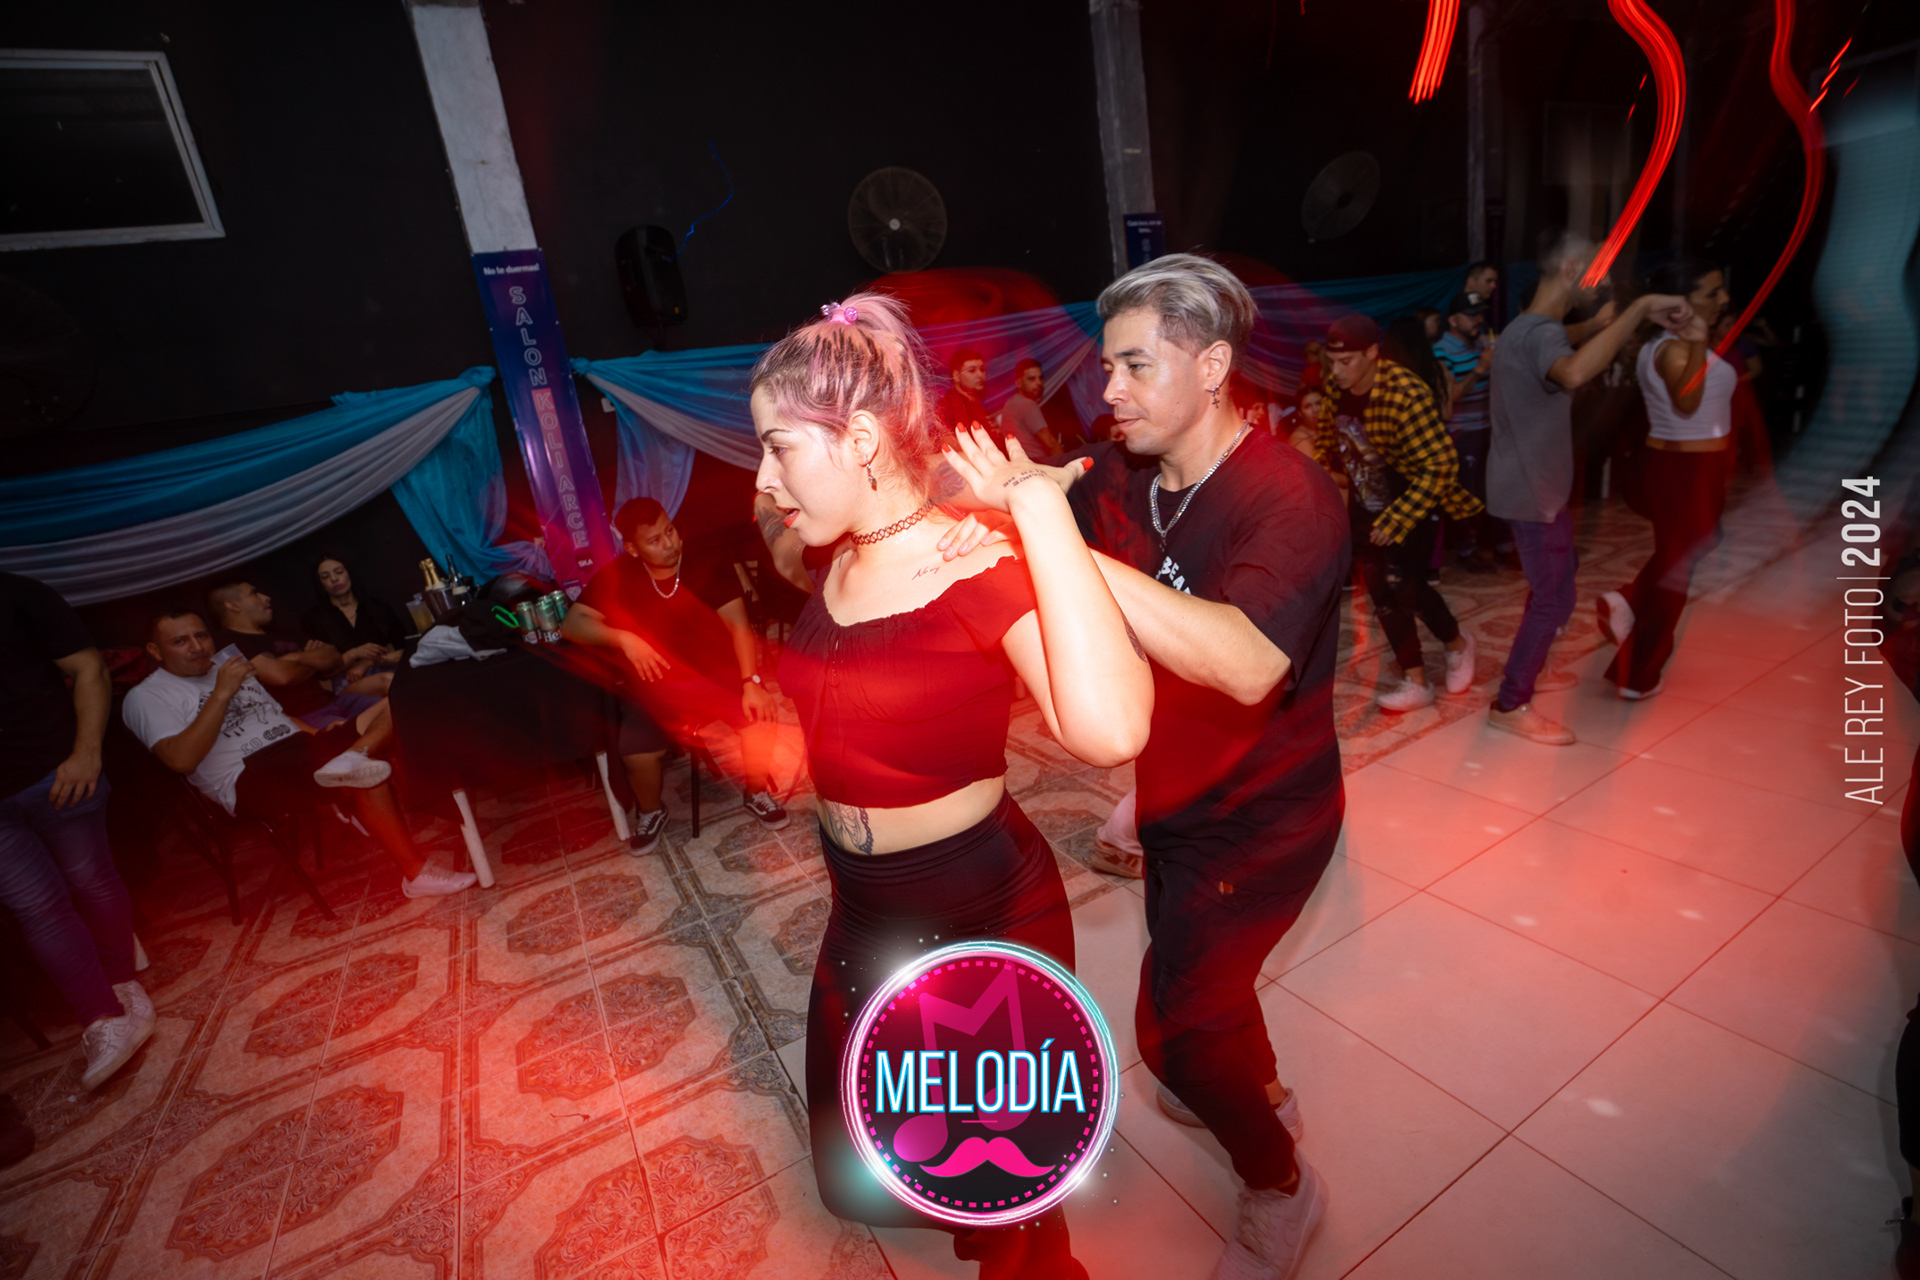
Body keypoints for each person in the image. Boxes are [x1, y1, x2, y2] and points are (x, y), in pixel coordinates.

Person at [951, 254, 1352, 1280]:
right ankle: (1262, 1091)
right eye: (1107, 367)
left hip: (1267, 823)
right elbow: (1025, 501)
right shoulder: (1120, 473)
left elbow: (1246, 662)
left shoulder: (1290, 497)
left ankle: (1280, 1183)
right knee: (1209, 987)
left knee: (1173, 1033)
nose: (1109, 389)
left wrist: (1066, 547)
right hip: (1176, 806)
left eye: (1135, 365)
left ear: (1211, 366)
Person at [756, 294, 1151, 1279]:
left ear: (858, 439)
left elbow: (1111, 730)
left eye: (777, 448)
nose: (763, 477)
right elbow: (787, 551)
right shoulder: (831, 556)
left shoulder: (976, 567)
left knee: (1004, 1172)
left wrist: (1035, 518)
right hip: (862, 912)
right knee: (890, 1148)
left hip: (981, 917)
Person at [1485, 232, 1690, 743]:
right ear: (1573, 267)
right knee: (1552, 599)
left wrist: (1598, 325)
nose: (1600, 284)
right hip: (1534, 490)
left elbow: (1558, 342)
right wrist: (1637, 308)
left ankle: (1530, 668)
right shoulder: (1542, 334)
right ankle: (1511, 702)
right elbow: (1574, 371)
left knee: (1561, 582)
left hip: (1531, 484)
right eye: (1597, 272)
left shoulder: (1524, 327)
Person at [124, 611, 474, 897]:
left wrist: (318, 736)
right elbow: (180, 760)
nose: (197, 647)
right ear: (155, 650)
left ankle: (351, 755)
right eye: (180, 641)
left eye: (201, 635)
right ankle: (416, 874)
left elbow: (276, 716)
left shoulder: (225, 664)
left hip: (297, 747)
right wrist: (221, 693)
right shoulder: (146, 697)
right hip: (246, 775)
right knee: (367, 772)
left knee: (398, 704)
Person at [564, 498, 790, 851]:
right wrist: (625, 639)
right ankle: (652, 811)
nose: (669, 544)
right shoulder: (620, 574)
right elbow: (572, 624)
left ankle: (756, 792)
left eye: (669, 531)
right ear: (633, 549)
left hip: (716, 676)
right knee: (635, 751)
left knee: (760, 718)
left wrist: (752, 682)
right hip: (657, 687)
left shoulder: (705, 561)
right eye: (654, 540)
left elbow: (740, 629)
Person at [0, 573, 153, 1092]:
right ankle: (100, 1018)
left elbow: (89, 668)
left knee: (91, 881)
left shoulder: (18, 594)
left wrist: (88, 752)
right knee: (36, 909)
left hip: (57, 772)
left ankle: (122, 983)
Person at [1315, 314, 1480, 711]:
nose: (1336, 371)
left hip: (1412, 506)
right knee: (1382, 594)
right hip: (1366, 507)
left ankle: (1458, 643)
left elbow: (1441, 465)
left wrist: (1396, 519)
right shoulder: (1337, 387)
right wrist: (1320, 469)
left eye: (1346, 362)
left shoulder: (1406, 393)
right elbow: (1327, 439)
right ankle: (1416, 681)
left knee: (1408, 588)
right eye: (1332, 362)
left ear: (1373, 352)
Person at [1596, 258, 1735, 700]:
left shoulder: (1673, 343)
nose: (1724, 298)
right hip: (1684, 470)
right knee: (1677, 573)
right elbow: (1688, 402)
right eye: (1711, 292)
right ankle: (1637, 674)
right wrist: (1698, 341)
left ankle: (1628, 598)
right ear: (1681, 303)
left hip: (1691, 467)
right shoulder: (1675, 348)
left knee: (1693, 547)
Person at [206, 580, 381, 729]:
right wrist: (315, 661)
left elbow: (334, 657)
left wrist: (294, 658)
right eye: (254, 594)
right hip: (304, 718)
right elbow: (282, 677)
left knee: (391, 707)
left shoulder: (281, 631)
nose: (266, 597)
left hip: (334, 701)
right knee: (359, 731)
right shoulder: (229, 642)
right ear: (233, 605)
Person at [1433, 293, 1498, 570]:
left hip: (1487, 429)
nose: (1478, 320)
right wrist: (1481, 368)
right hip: (1461, 434)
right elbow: (1452, 396)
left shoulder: (1480, 343)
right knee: (1464, 493)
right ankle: (1465, 550)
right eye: (1471, 315)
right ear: (1452, 320)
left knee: (1489, 489)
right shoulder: (1441, 351)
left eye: (1480, 314)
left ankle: (1494, 543)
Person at [301, 555, 406, 698]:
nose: (334, 579)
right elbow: (322, 673)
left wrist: (369, 662)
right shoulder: (313, 619)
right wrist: (353, 654)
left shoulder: (378, 609)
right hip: (347, 684)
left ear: (349, 573)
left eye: (339, 572)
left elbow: (406, 650)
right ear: (320, 583)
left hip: (386, 672)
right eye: (325, 576)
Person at [934, 347, 992, 441]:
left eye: (982, 369)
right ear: (956, 376)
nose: (980, 375)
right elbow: (946, 441)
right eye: (972, 370)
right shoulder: (948, 406)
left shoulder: (976, 399)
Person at [1000, 357, 1054, 456]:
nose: (1039, 383)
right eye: (1032, 379)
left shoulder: (1011, 402)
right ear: (1018, 383)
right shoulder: (1027, 404)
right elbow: (1050, 443)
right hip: (1038, 461)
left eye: (1040, 378)